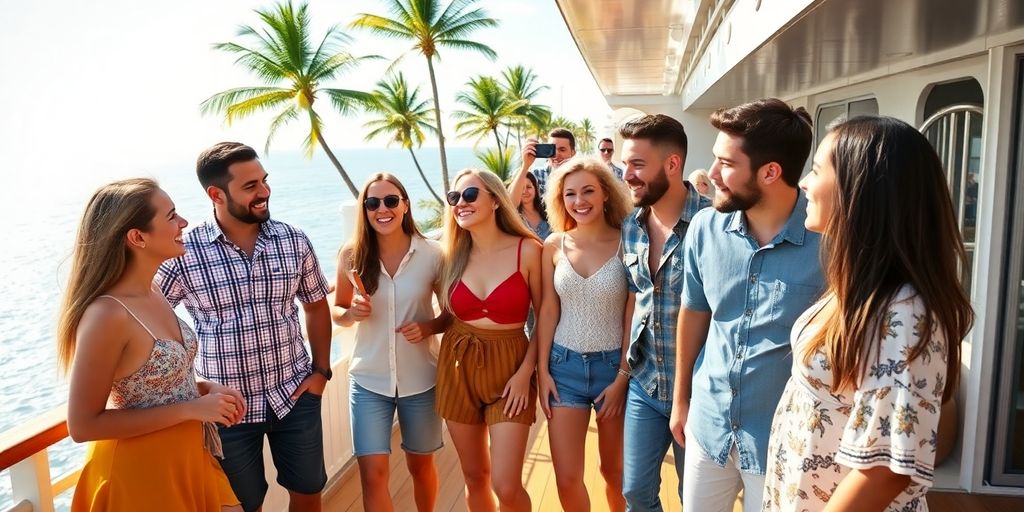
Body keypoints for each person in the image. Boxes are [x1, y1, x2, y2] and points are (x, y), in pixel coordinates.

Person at [763, 116, 974, 511]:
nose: (804, 183)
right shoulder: (867, 289)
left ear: (859, 190)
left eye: (816, 170)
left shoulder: (906, 313)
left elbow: (887, 469)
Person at [156, 142, 333, 512]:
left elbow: (316, 305)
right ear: (216, 194)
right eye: (250, 186)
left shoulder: (294, 240)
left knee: (308, 491)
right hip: (227, 410)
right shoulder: (184, 253)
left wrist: (320, 371)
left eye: (264, 181)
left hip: (295, 396)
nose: (264, 192)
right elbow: (147, 321)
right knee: (240, 504)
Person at [669, 98, 822, 512]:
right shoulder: (704, 227)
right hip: (708, 426)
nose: (712, 173)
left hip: (784, 441)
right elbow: (695, 312)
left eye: (726, 163)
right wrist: (681, 400)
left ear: (770, 172)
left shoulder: (830, 242)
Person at [61, 179, 243, 511]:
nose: (183, 223)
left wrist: (202, 389)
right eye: (172, 216)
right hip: (141, 475)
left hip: (187, 458)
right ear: (137, 237)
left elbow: (149, 382)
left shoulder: (155, 292)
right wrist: (191, 409)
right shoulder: (107, 314)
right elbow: (83, 425)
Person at [332, 173, 444, 512]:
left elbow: (451, 314)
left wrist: (428, 327)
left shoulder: (433, 254)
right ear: (364, 211)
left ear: (405, 205)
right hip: (368, 381)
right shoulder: (351, 255)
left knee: (420, 467)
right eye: (372, 203)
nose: (382, 209)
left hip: (421, 381)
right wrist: (350, 313)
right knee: (372, 475)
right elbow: (337, 311)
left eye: (391, 201)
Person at [436, 169, 543, 512]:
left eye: (470, 195)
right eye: (455, 198)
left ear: (496, 200)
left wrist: (527, 373)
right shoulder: (449, 254)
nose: (461, 204)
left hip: (511, 367)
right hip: (456, 365)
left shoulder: (528, 250)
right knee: (474, 476)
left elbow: (544, 318)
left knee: (506, 485)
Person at [618, 114, 710, 511]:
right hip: (646, 383)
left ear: (672, 164)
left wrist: (688, 395)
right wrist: (623, 373)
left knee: (693, 498)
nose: (626, 174)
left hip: (698, 391)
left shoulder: (715, 223)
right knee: (635, 493)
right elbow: (634, 298)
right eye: (625, 163)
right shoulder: (631, 226)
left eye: (637, 164)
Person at [535, 156, 633, 511]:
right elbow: (547, 310)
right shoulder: (553, 246)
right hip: (563, 369)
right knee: (567, 477)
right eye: (570, 194)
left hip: (613, 370)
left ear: (606, 193)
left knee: (615, 471)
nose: (579, 201)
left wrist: (623, 375)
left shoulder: (628, 242)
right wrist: (542, 371)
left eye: (588, 191)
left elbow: (632, 312)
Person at [512, 127, 577, 198]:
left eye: (562, 150)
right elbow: (510, 203)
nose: (556, 154)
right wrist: (525, 166)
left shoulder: (581, 176)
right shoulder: (538, 175)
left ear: (573, 153)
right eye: (552, 149)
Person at [510, 171, 551, 240]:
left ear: (535, 188)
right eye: (521, 188)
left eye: (528, 187)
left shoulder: (547, 209)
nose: (524, 191)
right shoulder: (512, 216)